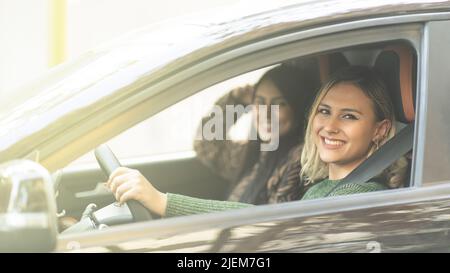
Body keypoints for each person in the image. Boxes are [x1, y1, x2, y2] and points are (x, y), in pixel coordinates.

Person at [106, 66, 409, 217]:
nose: (329, 126)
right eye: (325, 112)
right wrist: (238, 97)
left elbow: (266, 222)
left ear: (380, 130)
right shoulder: (314, 183)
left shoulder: (356, 194)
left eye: (349, 117)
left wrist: (163, 202)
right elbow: (207, 144)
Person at [193, 64, 319, 204]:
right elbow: (206, 144)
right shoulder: (258, 151)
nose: (266, 113)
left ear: (299, 107)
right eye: (260, 102)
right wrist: (235, 101)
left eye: (280, 104)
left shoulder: (299, 164)